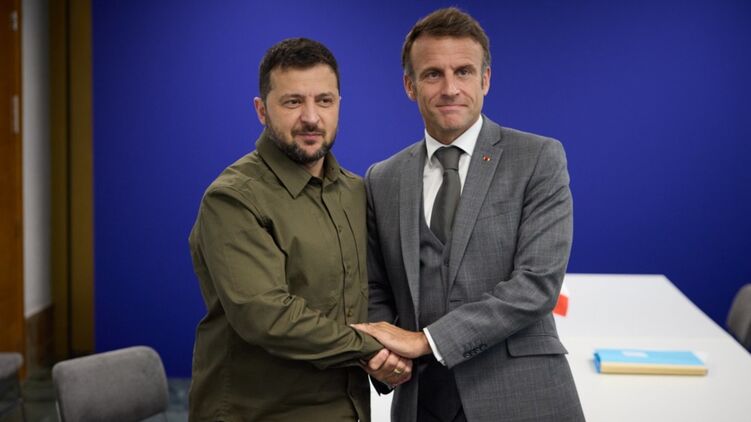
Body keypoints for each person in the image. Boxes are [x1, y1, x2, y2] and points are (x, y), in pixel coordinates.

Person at [352, 8, 585, 422]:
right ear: (410, 86)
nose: (450, 88)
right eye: (432, 74)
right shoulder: (382, 178)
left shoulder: (538, 158)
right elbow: (375, 287)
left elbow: (536, 285)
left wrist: (426, 341)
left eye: (463, 71)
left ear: (485, 79)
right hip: (420, 401)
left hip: (522, 396)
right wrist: (384, 354)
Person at [188, 37, 411, 422]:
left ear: (338, 105)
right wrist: (372, 348)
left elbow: (372, 290)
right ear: (262, 110)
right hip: (259, 412)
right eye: (293, 102)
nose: (311, 117)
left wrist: (396, 346)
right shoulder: (233, 198)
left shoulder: (356, 192)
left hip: (349, 408)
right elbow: (266, 316)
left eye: (324, 100)